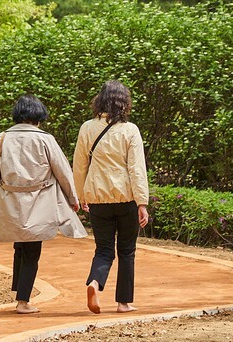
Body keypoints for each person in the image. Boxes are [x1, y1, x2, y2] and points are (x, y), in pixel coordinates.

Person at [0, 94, 87, 314]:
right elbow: (63, 172)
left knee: (20, 243)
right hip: (39, 201)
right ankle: (23, 302)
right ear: (38, 115)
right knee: (32, 248)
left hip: (10, 200)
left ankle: (19, 290)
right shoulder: (45, 139)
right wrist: (72, 198)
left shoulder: (2, 138)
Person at [72, 80, 149, 314]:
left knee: (103, 249)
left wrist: (81, 194)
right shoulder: (129, 130)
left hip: (97, 198)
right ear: (124, 102)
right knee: (127, 251)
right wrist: (142, 202)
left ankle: (94, 283)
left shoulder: (87, 127)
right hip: (125, 198)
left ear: (100, 100)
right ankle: (123, 303)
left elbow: (79, 165)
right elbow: (137, 168)